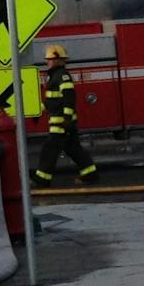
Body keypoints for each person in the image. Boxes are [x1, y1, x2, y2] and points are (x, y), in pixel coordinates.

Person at [32, 46, 99, 187]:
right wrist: (37, 111)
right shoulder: (54, 76)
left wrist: (67, 119)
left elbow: (69, 98)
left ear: (59, 60)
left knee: (49, 149)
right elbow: (52, 100)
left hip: (61, 122)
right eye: (48, 59)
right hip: (60, 121)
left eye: (50, 59)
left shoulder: (62, 76)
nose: (47, 62)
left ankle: (43, 179)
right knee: (72, 148)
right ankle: (90, 172)